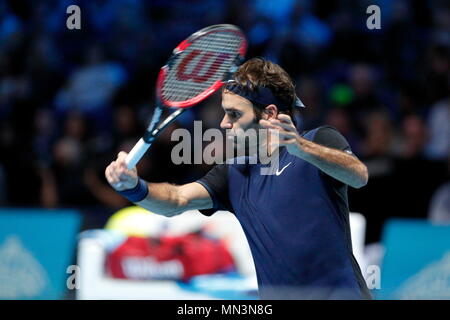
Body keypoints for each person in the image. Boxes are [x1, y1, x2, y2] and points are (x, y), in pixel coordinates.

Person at [105, 58, 372, 299]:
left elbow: (358, 175)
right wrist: (133, 187)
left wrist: (301, 148)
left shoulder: (320, 140)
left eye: (233, 114)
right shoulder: (233, 173)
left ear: (268, 113)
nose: (223, 123)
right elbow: (175, 200)